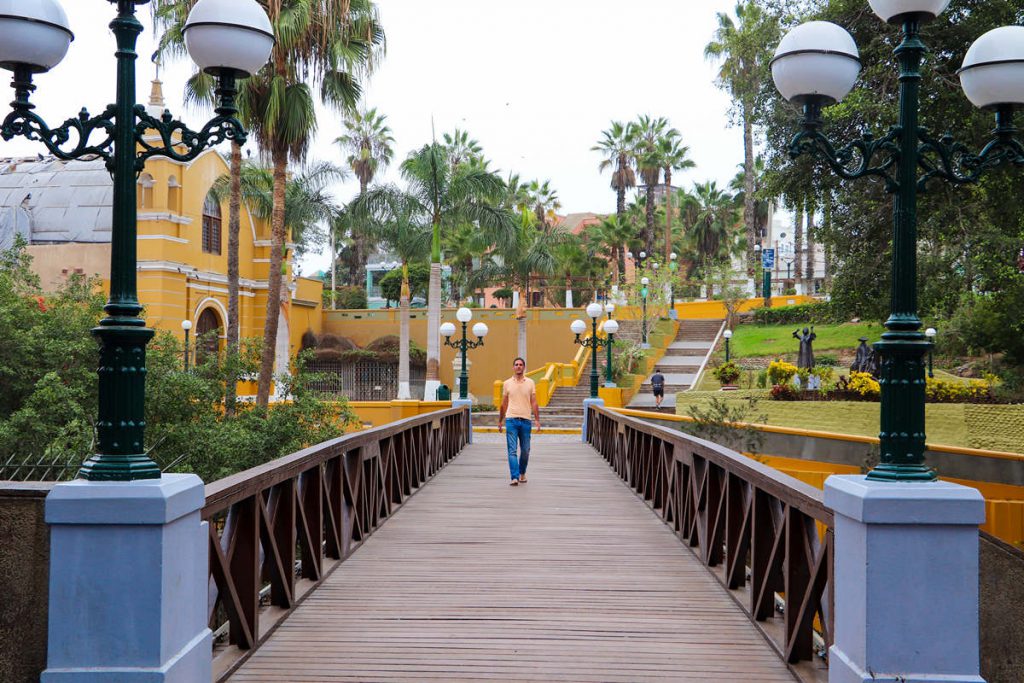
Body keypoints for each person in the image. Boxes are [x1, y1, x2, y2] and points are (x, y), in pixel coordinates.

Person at [498, 357, 541, 486]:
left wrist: (537, 420)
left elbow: (534, 402)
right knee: (512, 450)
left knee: (525, 450)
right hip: (511, 420)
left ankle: (522, 473)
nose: (518, 366)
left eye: (520, 364)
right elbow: (503, 404)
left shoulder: (530, 383)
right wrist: (500, 420)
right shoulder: (507, 383)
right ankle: (514, 477)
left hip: (526, 420)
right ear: (513, 367)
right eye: (516, 364)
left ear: (524, 367)